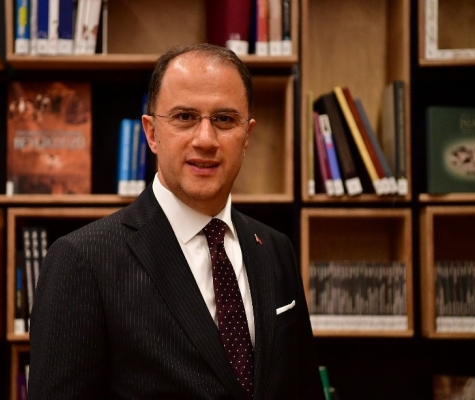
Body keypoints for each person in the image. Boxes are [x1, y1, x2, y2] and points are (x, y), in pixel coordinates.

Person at [29, 43, 325, 399]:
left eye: (224, 119)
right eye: (185, 117)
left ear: (247, 136)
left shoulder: (275, 249)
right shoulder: (83, 260)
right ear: (152, 133)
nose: (206, 140)